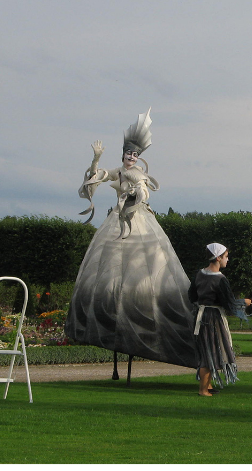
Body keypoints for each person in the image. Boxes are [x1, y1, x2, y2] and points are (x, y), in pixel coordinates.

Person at [65, 108, 198, 370]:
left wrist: (137, 195)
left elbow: (145, 194)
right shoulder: (119, 170)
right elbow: (98, 176)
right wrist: (95, 158)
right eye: (128, 153)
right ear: (123, 154)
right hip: (117, 219)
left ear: (138, 157)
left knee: (147, 267)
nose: (130, 157)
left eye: (135, 155)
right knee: (110, 268)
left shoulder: (139, 174)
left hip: (138, 219)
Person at [188, 243, 251, 396]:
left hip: (200, 316)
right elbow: (228, 303)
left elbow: (192, 296)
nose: (227, 260)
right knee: (211, 353)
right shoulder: (221, 279)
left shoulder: (199, 274)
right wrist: (245, 302)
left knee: (207, 350)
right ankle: (203, 390)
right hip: (212, 319)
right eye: (226, 257)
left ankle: (207, 385)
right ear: (218, 258)